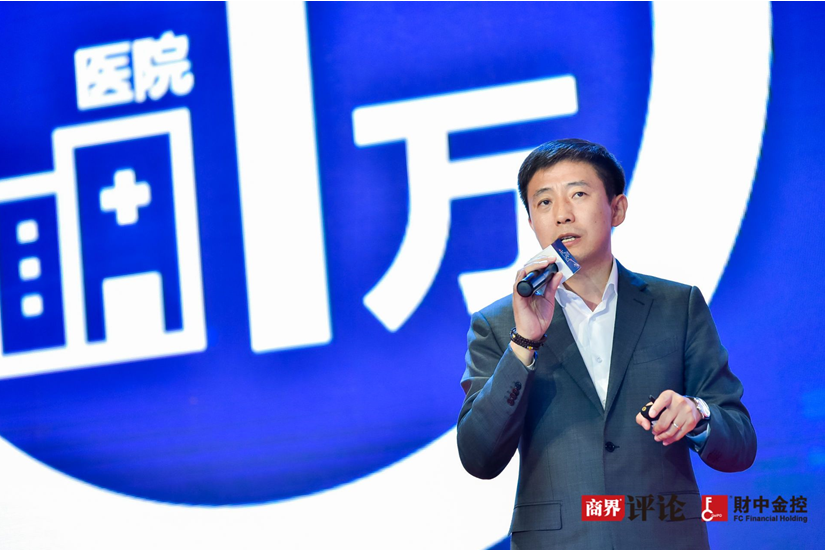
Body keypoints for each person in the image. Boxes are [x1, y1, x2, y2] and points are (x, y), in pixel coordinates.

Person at [456, 139, 756, 549]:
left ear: (617, 209)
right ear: (531, 222)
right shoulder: (498, 324)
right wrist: (524, 341)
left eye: (578, 194)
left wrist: (698, 415)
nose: (562, 214)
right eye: (544, 202)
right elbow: (479, 457)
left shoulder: (676, 306)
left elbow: (740, 443)